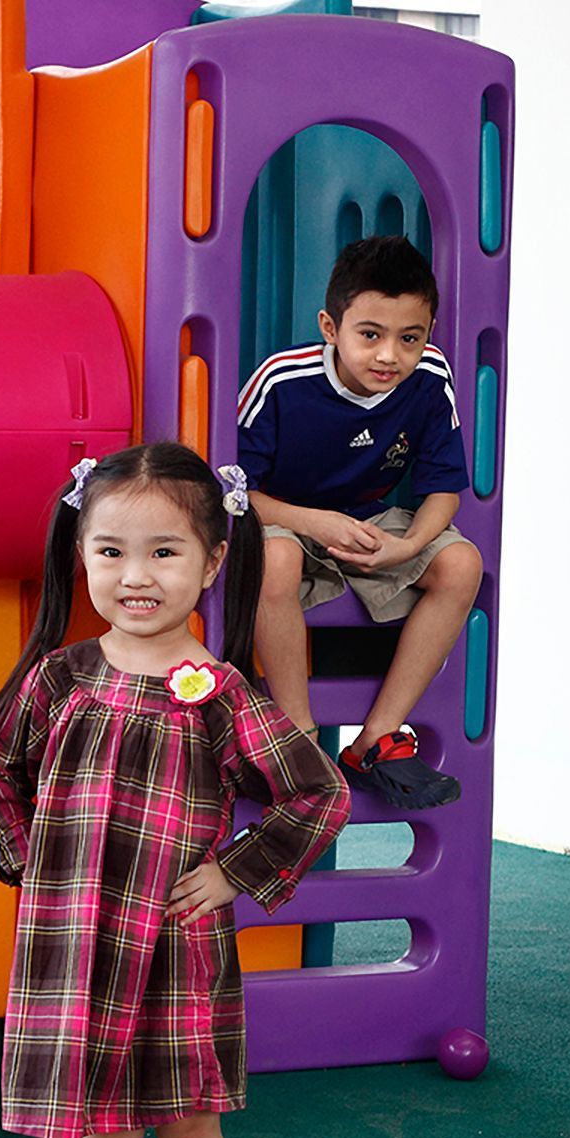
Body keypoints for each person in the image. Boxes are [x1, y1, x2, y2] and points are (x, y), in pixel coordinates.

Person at [0, 443, 348, 1138]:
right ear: (82, 555)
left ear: (213, 562)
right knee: (102, 1132)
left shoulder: (217, 693)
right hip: (78, 945)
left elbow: (318, 792)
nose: (135, 577)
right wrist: (26, 855)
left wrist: (237, 872)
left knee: (186, 1130)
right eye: (111, 552)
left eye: (165, 553)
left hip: (177, 951)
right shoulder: (60, 679)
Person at [236, 234, 483, 809]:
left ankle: (377, 739)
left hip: (370, 522)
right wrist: (313, 523)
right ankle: (296, 739)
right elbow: (232, 491)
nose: (389, 356)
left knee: (460, 562)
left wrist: (409, 546)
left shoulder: (429, 377)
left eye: (410, 338)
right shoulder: (281, 380)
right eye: (370, 335)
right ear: (331, 327)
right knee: (276, 557)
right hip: (284, 519)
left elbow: (444, 487)